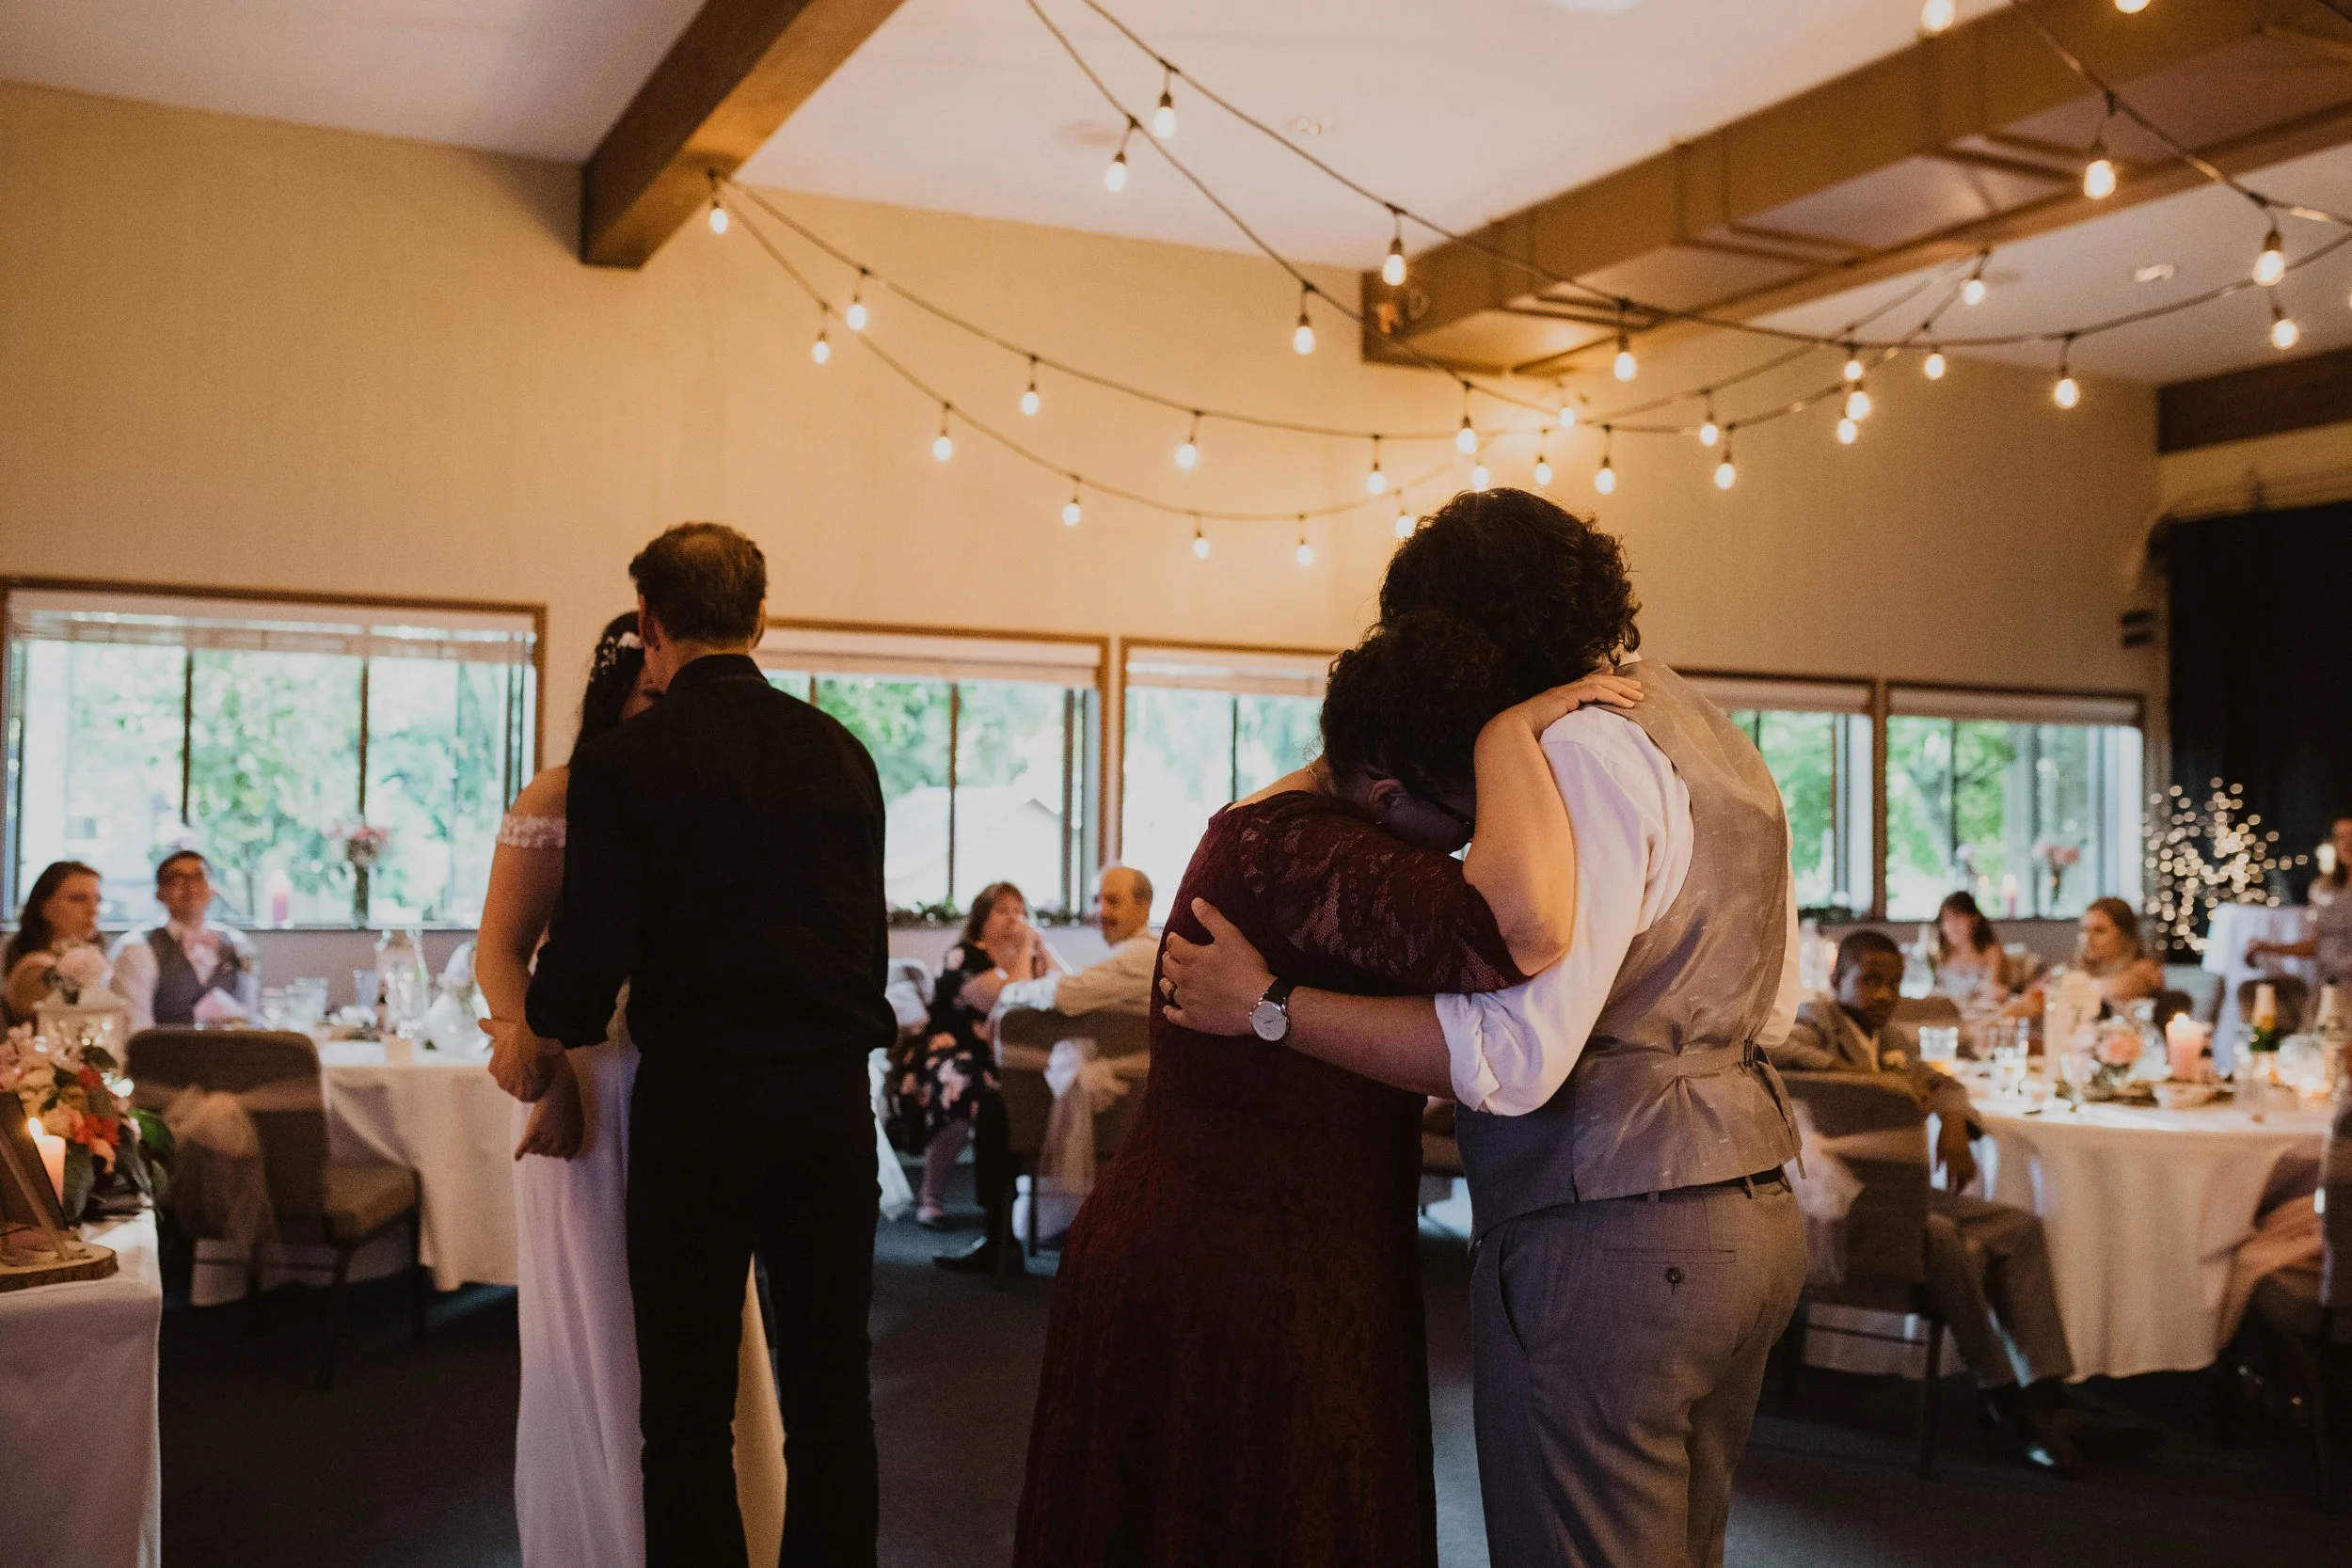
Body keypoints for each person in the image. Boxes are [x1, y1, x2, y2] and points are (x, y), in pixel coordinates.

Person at [1162, 489, 1805, 1568]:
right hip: (1751, 1210)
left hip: (1611, 1229)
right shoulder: (1706, 728)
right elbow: (1774, 998)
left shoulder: (1579, 754)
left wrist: (1269, 1006)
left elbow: (1510, 1057)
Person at [1014, 610, 1637, 1568]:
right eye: (1464, 823)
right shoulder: (1317, 852)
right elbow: (1523, 928)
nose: (1469, 844)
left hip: (1230, 1239)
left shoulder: (1284, 825)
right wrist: (1508, 731)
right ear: (1388, 793)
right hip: (1242, 1267)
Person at [498, 525, 895, 1568]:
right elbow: (866, 942)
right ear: (762, 619)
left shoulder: (626, 763)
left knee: (683, 1408)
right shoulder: (840, 750)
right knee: (830, 1396)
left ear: (651, 624)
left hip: (700, 1109)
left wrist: (537, 1026)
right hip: (825, 1103)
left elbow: (585, 967)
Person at [475, 611, 786, 1568]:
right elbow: (497, 950)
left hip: (698, 1086)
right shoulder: (565, 794)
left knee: (711, 1334)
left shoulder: (722, 799)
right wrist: (549, 1058)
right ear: (616, 700)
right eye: (652, 699)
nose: (668, 722)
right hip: (593, 1094)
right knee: (603, 1333)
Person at [1773, 930, 2084, 1472]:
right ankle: (1999, 1393)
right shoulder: (1817, 1021)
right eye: (1870, 980)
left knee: (2019, 1226)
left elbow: (1941, 1083)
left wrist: (1955, 1122)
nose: (1883, 994)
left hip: (1900, 1198)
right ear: (1838, 979)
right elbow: (1781, 1053)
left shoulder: (1893, 1038)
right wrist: (1878, 1085)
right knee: (1945, 1239)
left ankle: (2047, 1391)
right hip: (1835, 1210)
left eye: (1893, 983)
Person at [889, 881, 1067, 1248]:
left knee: (1041, 1085)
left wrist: (1043, 949)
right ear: (981, 918)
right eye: (1003, 910)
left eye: (1019, 910)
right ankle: (931, 1197)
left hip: (1003, 1055)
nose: (1014, 919)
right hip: (949, 1051)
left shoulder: (1028, 957)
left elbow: (1066, 985)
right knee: (968, 1088)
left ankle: (1012, 1206)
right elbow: (1011, 1006)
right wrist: (1023, 957)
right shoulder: (966, 957)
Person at [109, 850, 260, 1030]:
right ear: (160, 893)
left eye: (199, 877)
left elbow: (249, 1015)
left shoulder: (237, 944)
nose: (191, 887)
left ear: (212, 889)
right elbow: (135, 1029)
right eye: (178, 880)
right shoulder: (138, 948)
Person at [997, 864, 1157, 1018]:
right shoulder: (1132, 951)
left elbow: (1067, 994)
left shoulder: (1142, 954)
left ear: (1143, 908)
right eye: (1096, 900)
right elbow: (1073, 983)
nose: (1101, 911)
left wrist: (1011, 991)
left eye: (1113, 901)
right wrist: (1042, 946)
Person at [4, 860, 117, 1026]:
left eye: (97, 900)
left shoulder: (99, 959)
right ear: (45, 908)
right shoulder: (35, 969)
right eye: (78, 899)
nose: (93, 910)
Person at [2245, 815, 2352, 989]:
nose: (2347, 843)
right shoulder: (2322, 888)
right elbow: (2318, 945)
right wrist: (2271, 949)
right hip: (2329, 989)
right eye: (2341, 837)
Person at [1931, 890, 2009, 1013]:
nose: (1953, 925)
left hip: (1981, 1017)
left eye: (1958, 917)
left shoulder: (1991, 952)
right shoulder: (1940, 955)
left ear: (1974, 919)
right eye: (1947, 919)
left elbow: (1994, 992)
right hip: (1947, 1017)